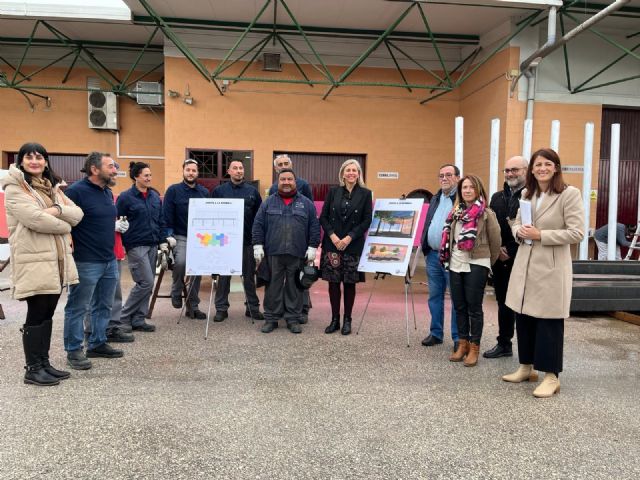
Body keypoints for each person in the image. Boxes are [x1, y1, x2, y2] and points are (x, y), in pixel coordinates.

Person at [503, 148, 584, 398]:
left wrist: (541, 235)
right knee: (524, 317)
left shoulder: (569, 194)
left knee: (549, 322)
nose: (542, 169)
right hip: (526, 265)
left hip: (550, 268)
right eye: (538, 165)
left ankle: (551, 376)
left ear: (556, 167)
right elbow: (517, 221)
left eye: (547, 164)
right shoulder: (528, 193)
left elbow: (577, 232)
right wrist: (518, 231)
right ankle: (526, 367)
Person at [2, 143, 84, 385]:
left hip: (55, 261)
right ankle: (32, 368)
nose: (35, 161)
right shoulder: (15, 188)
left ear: (46, 161)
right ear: (21, 161)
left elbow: (77, 212)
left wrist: (56, 209)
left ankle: (44, 363)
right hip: (33, 260)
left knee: (48, 311)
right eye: (29, 157)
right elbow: (34, 220)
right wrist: (65, 224)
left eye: (39, 157)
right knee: (36, 313)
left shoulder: (52, 188)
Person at [64, 152, 122, 370]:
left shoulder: (107, 191)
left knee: (103, 306)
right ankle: (73, 350)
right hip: (86, 261)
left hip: (108, 259)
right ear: (94, 169)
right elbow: (65, 222)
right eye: (110, 166)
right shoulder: (76, 192)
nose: (115, 170)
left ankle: (97, 343)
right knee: (77, 307)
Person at [441, 175, 501, 367]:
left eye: (470, 187)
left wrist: (486, 263)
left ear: (478, 189)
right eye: (464, 187)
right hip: (456, 262)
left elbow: (495, 242)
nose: (467, 190)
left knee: (474, 308)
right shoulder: (455, 212)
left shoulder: (486, 213)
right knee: (459, 306)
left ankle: (474, 347)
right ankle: (462, 344)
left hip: (477, 263)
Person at [252, 168, 320, 334]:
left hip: (297, 253)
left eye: (290, 179)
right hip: (273, 252)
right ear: (278, 182)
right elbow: (258, 225)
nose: (286, 182)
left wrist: (312, 246)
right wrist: (257, 245)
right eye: (283, 179)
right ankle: (271, 318)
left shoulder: (306, 204)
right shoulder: (268, 202)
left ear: (295, 182)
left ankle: (292, 318)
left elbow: (314, 227)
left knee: (294, 287)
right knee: (273, 286)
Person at [319, 159, 372, 335]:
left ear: (358, 174)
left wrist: (349, 238)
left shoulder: (365, 194)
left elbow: (366, 220)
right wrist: (333, 237)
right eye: (348, 170)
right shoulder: (333, 192)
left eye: (354, 170)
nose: (351, 173)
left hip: (353, 245)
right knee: (333, 283)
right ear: (342, 173)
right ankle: (335, 319)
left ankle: (347, 320)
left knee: (350, 283)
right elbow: (324, 217)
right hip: (332, 244)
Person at [483, 155, 528, 359]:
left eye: (515, 170)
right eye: (507, 170)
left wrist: (509, 250)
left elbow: (529, 228)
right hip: (500, 260)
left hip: (523, 257)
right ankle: (504, 344)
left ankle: (527, 350)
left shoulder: (531, 197)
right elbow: (492, 226)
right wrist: (496, 250)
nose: (510, 174)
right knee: (503, 302)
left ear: (525, 171)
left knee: (523, 305)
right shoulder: (497, 197)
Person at [211, 159, 263, 322]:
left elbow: (259, 218)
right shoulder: (219, 191)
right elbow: (212, 215)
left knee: (248, 277)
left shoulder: (252, 192)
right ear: (229, 171)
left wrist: (258, 242)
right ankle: (221, 309)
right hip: (224, 242)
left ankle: (252, 308)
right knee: (224, 276)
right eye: (235, 168)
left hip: (246, 241)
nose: (239, 170)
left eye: (241, 168)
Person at [116, 162, 163, 332]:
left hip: (152, 244)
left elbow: (160, 220)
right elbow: (118, 219)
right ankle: (123, 318)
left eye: (150, 175)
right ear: (136, 176)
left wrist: (163, 240)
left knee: (148, 284)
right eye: (146, 175)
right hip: (135, 245)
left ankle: (138, 319)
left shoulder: (154, 197)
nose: (149, 178)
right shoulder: (126, 197)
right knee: (145, 282)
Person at [268, 154, 314, 322]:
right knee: (278, 281)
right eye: (280, 164)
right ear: (276, 169)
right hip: (280, 243)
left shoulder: (304, 185)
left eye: (286, 163)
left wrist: (311, 245)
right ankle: (280, 310)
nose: (283, 165)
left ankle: (302, 309)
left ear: (291, 165)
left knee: (299, 278)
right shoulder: (274, 189)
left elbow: (310, 215)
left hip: (299, 243)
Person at [163, 158, 210, 319]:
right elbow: (167, 215)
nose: (191, 173)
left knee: (196, 269)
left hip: (200, 238)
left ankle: (193, 306)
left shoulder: (204, 192)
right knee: (181, 262)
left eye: (194, 171)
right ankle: (176, 290)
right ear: (183, 171)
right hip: (180, 235)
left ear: (198, 173)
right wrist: (168, 236)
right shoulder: (173, 190)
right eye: (188, 170)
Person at [420, 164, 460, 349]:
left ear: (457, 177)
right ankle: (436, 333)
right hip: (433, 256)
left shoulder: (461, 198)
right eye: (441, 175)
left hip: (453, 257)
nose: (444, 178)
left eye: (449, 175)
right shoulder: (436, 198)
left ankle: (458, 338)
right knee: (434, 296)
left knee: (456, 298)